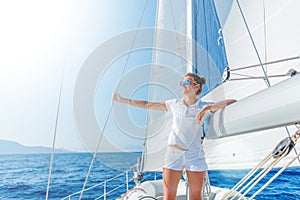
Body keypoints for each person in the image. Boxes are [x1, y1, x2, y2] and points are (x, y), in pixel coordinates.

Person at [112, 72, 236, 200]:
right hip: (173, 155)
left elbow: (231, 101)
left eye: (186, 82)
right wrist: (122, 100)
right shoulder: (174, 104)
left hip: (194, 155)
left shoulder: (203, 106)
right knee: (169, 197)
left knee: (195, 197)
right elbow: (147, 104)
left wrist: (207, 108)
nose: (182, 85)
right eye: (181, 83)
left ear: (196, 86)